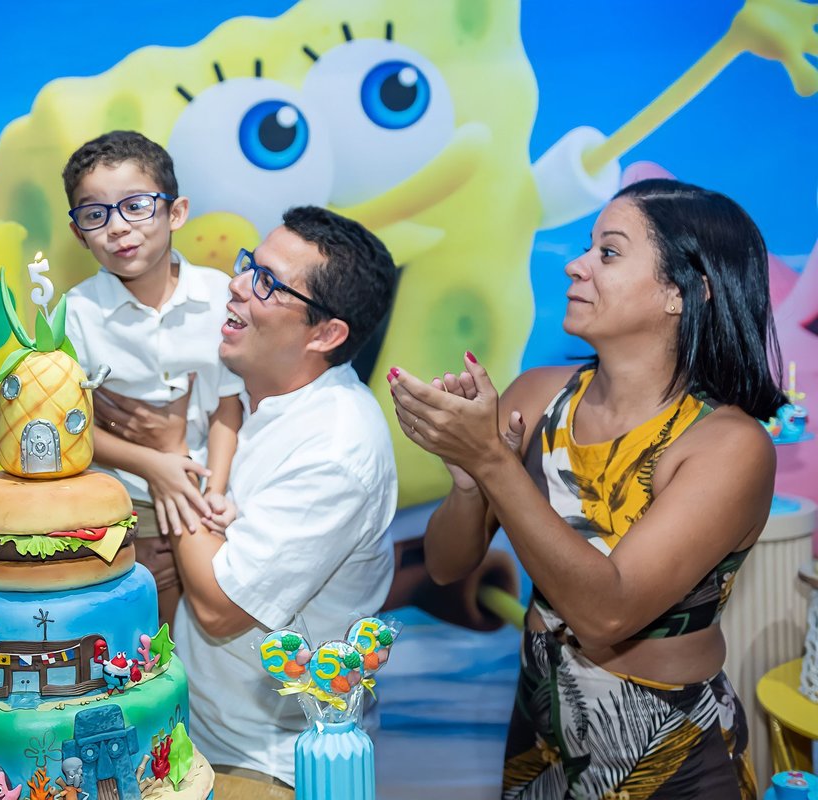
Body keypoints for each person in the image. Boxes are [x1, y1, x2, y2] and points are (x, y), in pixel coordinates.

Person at [389, 178, 783, 798]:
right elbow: (445, 566)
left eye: (609, 252)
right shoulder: (538, 394)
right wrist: (468, 482)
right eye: (587, 247)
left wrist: (492, 463)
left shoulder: (728, 446)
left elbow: (608, 612)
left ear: (684, 293)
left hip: (665, 746)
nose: (576, 265)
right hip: (542, 728)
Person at [104, 205, 399, 785]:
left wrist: (172, 460)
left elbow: (218, 608)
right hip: (188, 732)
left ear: (326, 333)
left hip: (270, 764)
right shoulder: (239, 390)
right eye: (248, 266)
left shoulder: (337, 446)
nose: (236, 287)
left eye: (266, 282)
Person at [61, 130, 243, 629]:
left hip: (212, 491)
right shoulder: (74, 314)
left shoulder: (220, 295)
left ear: (175, 212)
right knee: (146, 636)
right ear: (79, 232)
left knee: (214, 620)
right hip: (122, 508)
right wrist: (153, 465)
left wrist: (215, 493)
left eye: (136, 205)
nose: (118, 228)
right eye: (95, 214)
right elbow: (68, 428)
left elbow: (229, 405)